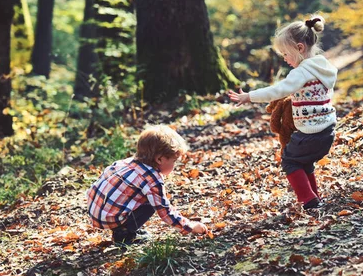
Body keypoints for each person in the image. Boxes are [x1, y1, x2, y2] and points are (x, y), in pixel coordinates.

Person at [229, 15, 337, 209]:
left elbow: (278, 90)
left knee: (290, 161)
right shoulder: (324, 67)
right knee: (304, 162)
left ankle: (310, 202)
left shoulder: (302, 72)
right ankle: (314, 197)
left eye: (286, 54)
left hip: (310, 134)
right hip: (327, 131)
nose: (285, 59)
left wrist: (249, 96)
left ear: (300, 48)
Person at [86, 125, 208, 244]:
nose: (174, 165)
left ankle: (123, 229)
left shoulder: (124, 163)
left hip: (95, 212)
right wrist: (189, 226)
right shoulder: (152, 179)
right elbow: (165, 211)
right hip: (110, 218)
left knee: (139, 195)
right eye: (173, 161)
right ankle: (124, 235)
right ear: (159, 159)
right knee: (151, 203)